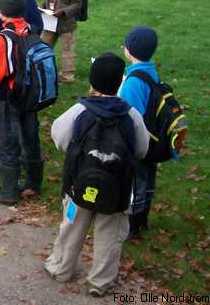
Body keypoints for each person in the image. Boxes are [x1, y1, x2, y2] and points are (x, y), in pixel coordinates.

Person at [45, 53, 149, 297]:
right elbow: (142, 149)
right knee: (110, 235)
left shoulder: (80, 110)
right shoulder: (131, 115)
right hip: (119, 188)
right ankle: (99, 281)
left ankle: (61, 267)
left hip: (78, 184)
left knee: (72, 227)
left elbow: (59, 137)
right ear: (119, 83)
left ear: (92, 83)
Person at [0, 0, 43, 206]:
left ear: (0, 12)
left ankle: (8, 191)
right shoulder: (29, 29)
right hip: (31, 92)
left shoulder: (4, 37)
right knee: (31, 135)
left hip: (11, 95)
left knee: (9, 139)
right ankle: (34, 183)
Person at [119, 25, 160, 239]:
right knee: (147, 178)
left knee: (136, 180)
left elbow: (130, 116)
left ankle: (133, 223)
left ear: (130, 49)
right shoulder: (150, 72)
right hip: (152, 137)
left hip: (138, 141)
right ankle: (142, 218)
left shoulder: (133, 82)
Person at [40, 0, 82, 84]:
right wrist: (42, 7)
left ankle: (67, 76)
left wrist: (63, 11)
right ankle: (42, 70)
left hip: (66, 23)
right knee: (43, 46)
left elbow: (78, 3)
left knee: (67, 50)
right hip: (50, 21)